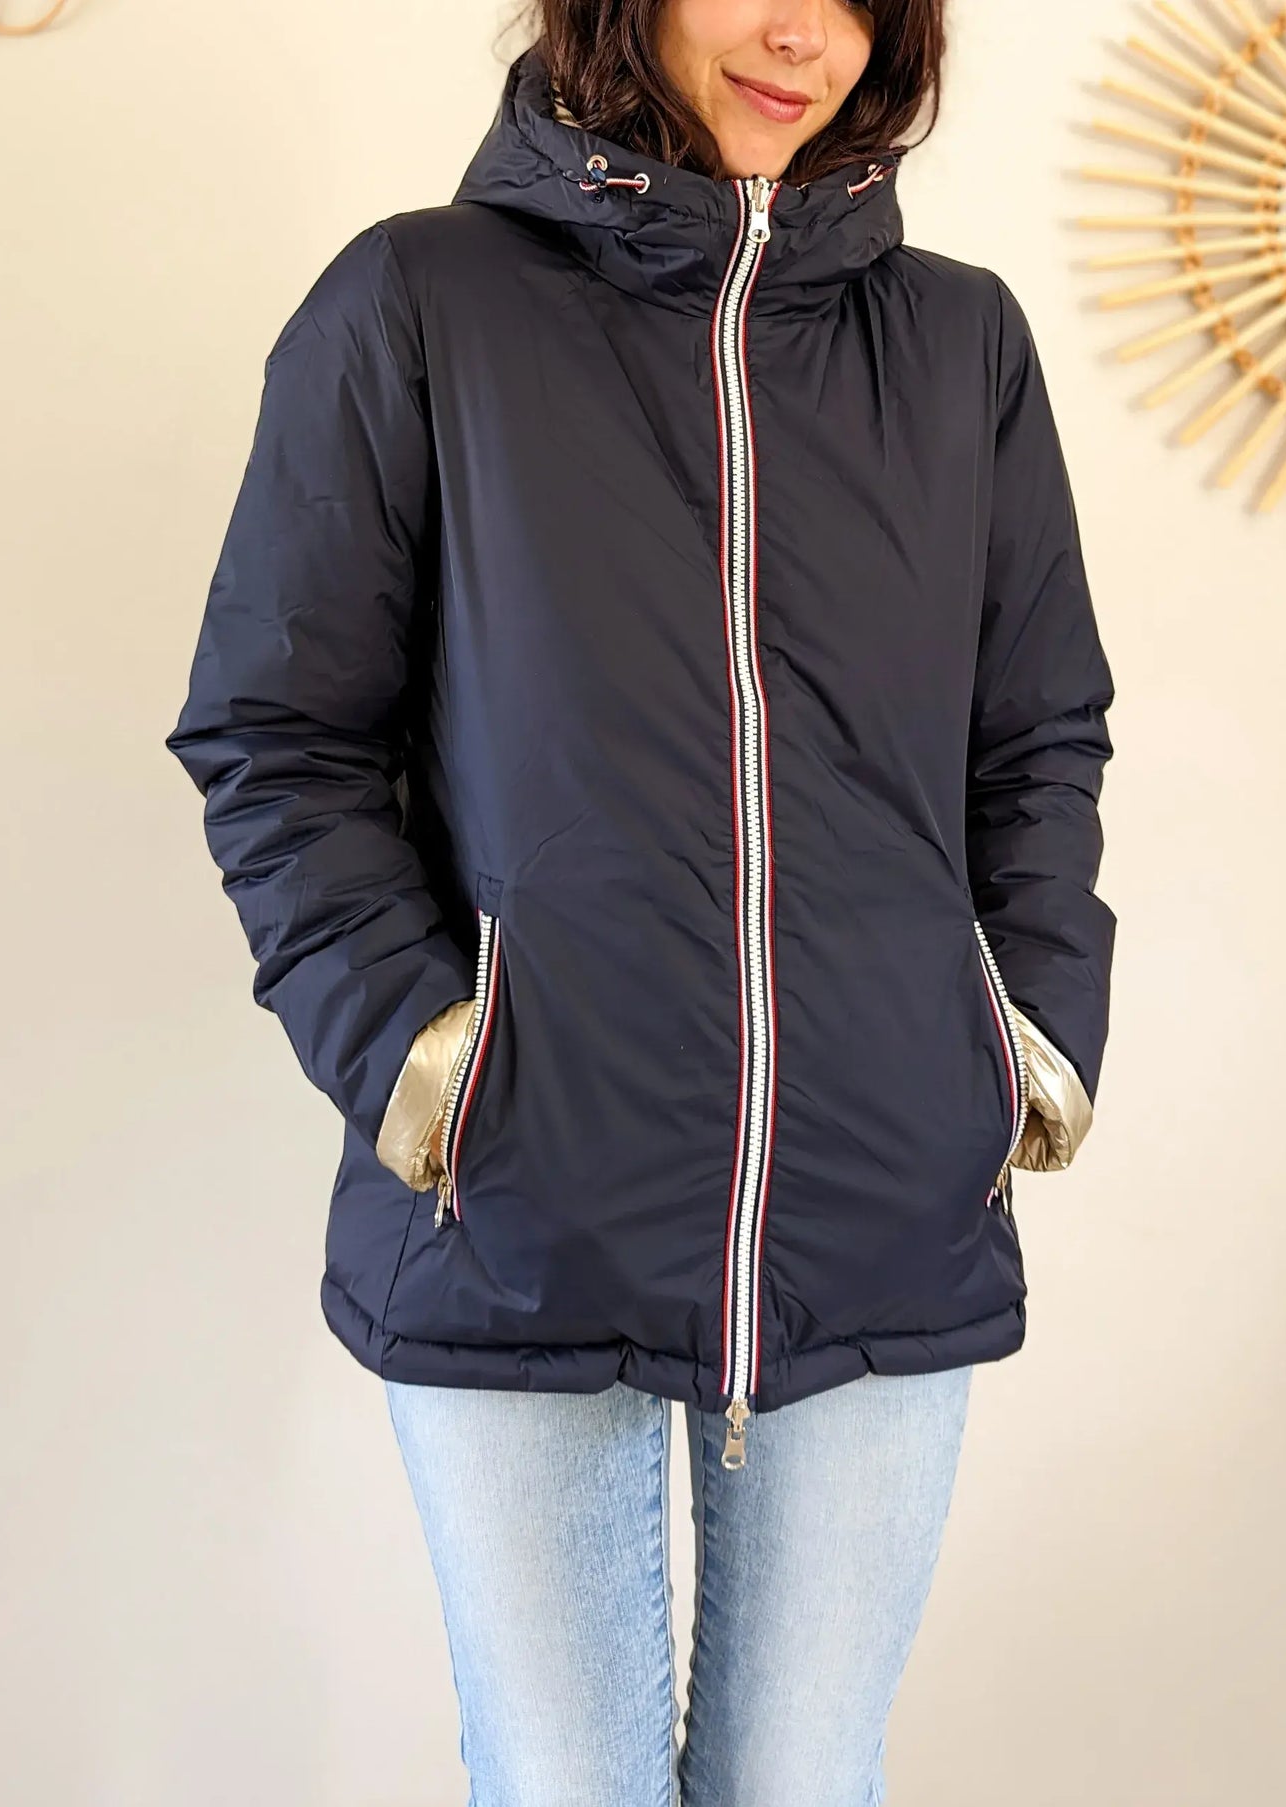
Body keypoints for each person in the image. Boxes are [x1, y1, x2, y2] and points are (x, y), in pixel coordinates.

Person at [166, 4, 1116, 1801]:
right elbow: (277, 736)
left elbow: (1035, 735)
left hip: (882, 1194)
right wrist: (422, 1059)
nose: (803, 36)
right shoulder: (419, 303)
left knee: (803, 1778)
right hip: (513, 1206)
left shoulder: (959, 343)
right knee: (562, 1781)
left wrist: (1026, 1036)